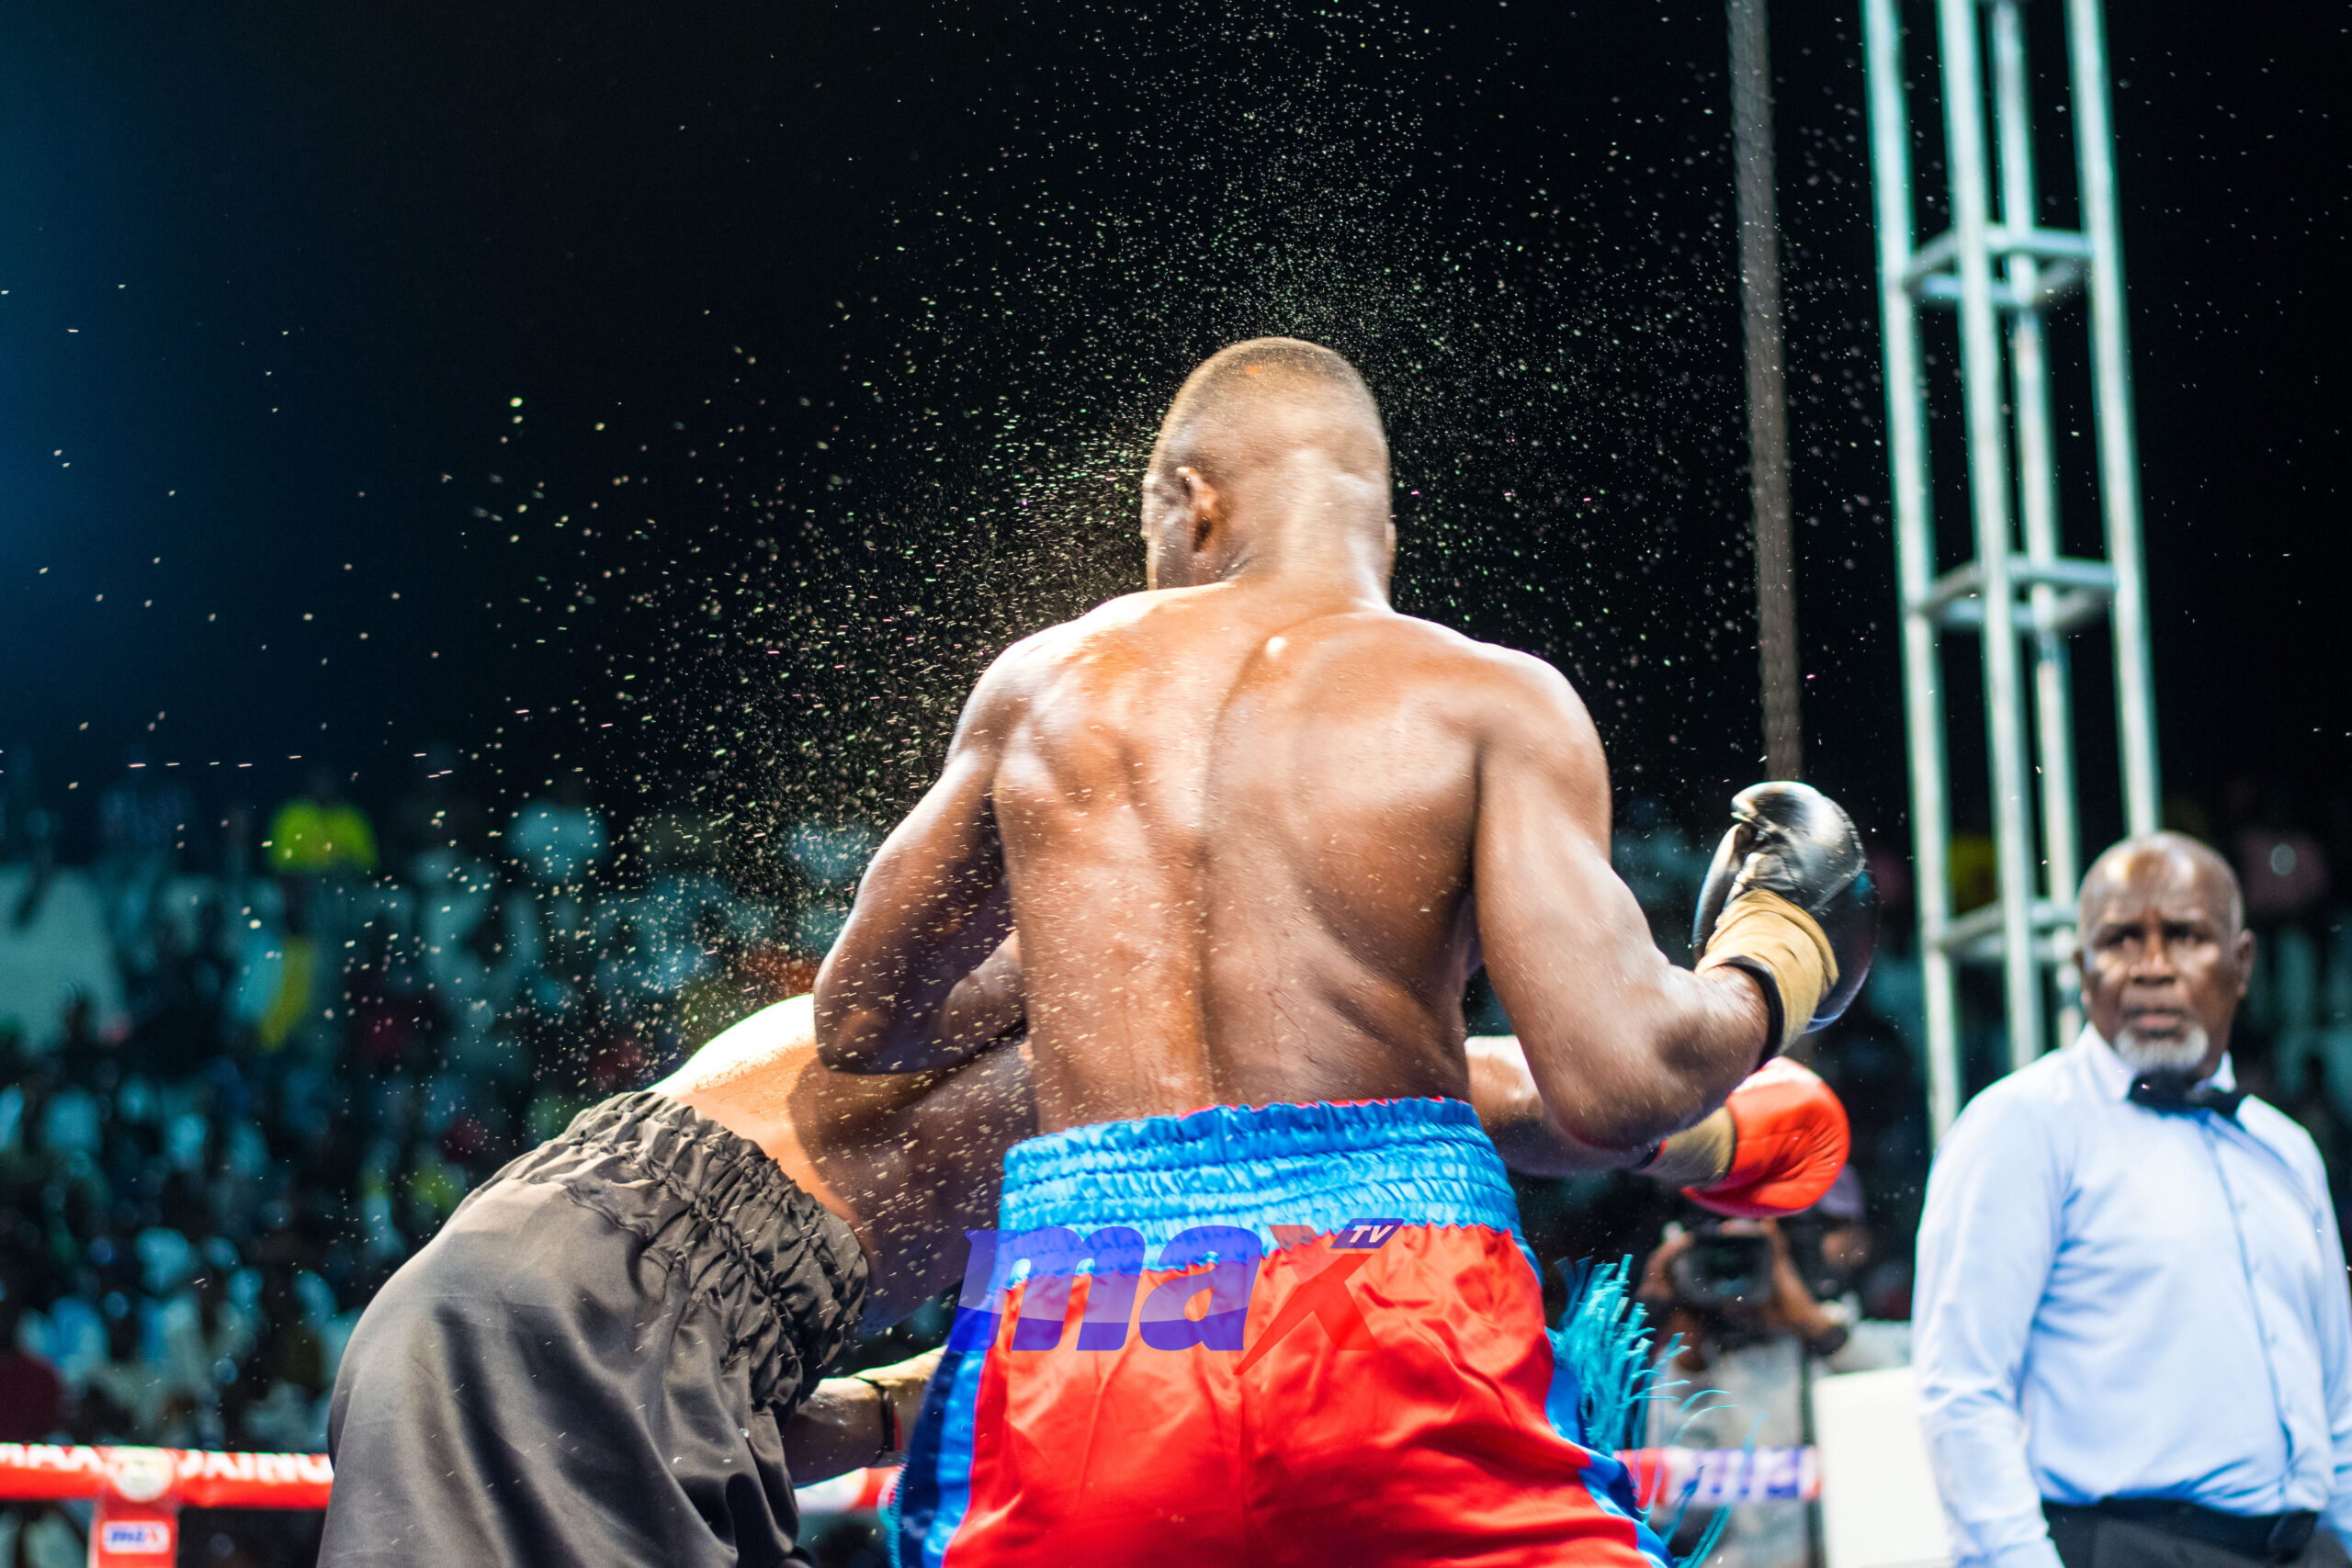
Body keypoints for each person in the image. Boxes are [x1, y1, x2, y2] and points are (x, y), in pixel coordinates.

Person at [815, 337, 1872, 1567]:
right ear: (1380, 525)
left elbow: (865, 1017)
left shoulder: (1045, 683)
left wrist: (1081, 955)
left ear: (1191, 502)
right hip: (1389, 1281)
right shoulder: (1482, 696)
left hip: (1089, 1304)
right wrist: (1772, 960)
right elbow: (1615, 1080)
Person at [1915, 832, 2352, 1568]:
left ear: (2241, 962)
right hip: (2126, 1546)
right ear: (2082, 967)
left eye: (2185, 936)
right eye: (2120, 939)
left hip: (2305, 1548)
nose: (2152, 966)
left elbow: (2337, 1396)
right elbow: (1962, 1388)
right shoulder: (2024, 1125)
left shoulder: (2286, 1149)